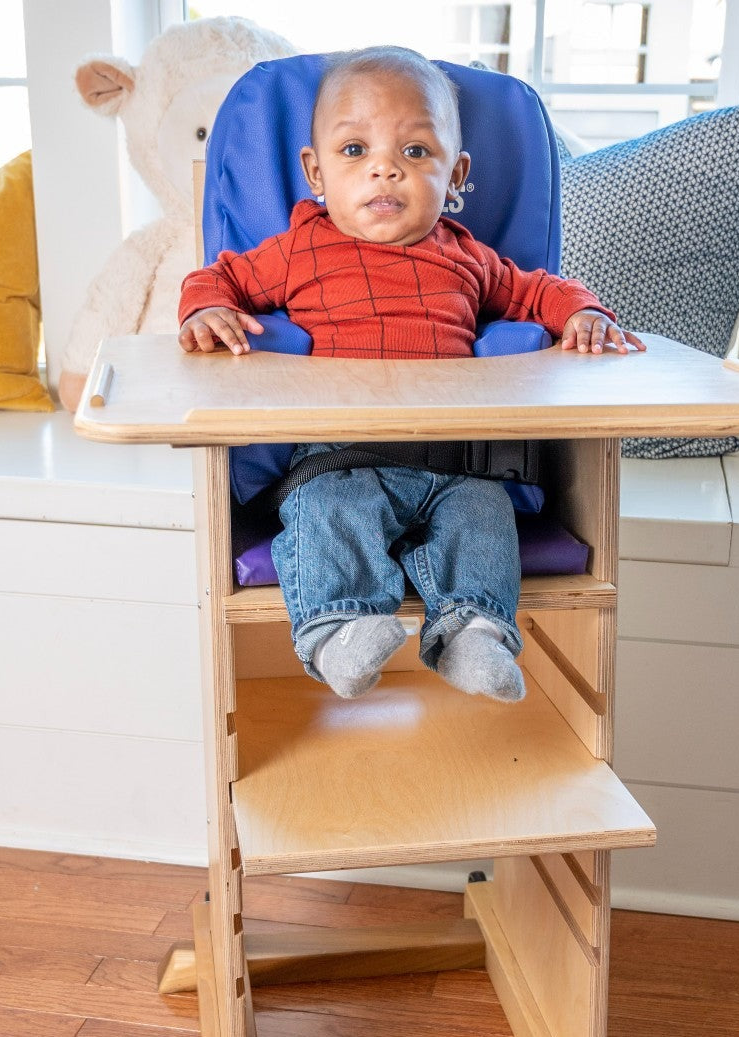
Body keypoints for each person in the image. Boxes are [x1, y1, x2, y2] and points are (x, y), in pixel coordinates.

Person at [178, 45, 645, 703]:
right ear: (315, 171)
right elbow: (219, 275)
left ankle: (473, 633)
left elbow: (541, 289)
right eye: (353, 151)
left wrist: (585, 314)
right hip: (341, 456)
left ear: (455, 176)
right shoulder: (299, 249)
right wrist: (207, 310)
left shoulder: (469, 258)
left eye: (416, 152)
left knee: (483, 517)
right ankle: (340, 630)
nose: (384, 169)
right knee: (325, 512)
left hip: (458, 462)